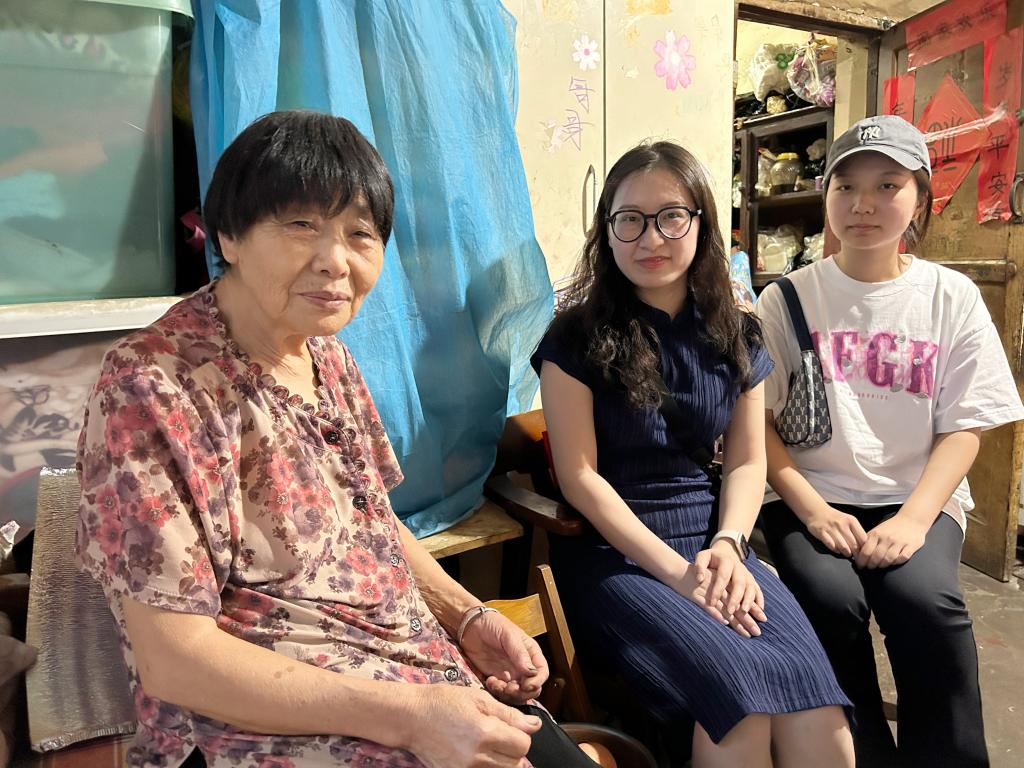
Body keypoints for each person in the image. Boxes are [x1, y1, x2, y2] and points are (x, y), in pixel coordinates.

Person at [75, 110, 607, 768]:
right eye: (301, 225)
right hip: (265, 725)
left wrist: (467, 617)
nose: (335, 262)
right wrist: (411, 719)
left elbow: (371, 520)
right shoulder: (151, 389)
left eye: (360, 234)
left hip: (414, 674)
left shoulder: (328, 358)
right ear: (229, 236)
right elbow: (173, 660)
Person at [531, 140, 854, 768]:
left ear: (702, 223)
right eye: (630, 220)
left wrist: (730, 545)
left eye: (672, 217)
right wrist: (681, 577)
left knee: (821, 716)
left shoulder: (737, 330)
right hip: (616, 554)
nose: (651, 238)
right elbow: (579, 477)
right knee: (740, 710)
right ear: (607, 230)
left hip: (715, 544)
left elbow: (747, 461)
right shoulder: (574, 337)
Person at [755, 114, 1024, 768]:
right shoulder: (786, 300)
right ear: (826, 197)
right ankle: (859, 754)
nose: (863, 204)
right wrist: (813, 510)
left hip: (917, 496)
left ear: (920, 198)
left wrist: (913, 519)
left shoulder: (951, 297)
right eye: (845, 186)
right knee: (828, 600)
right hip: (808, 494)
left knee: (925, 601)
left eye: (887, 185)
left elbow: (964, 426)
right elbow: (756, 425)